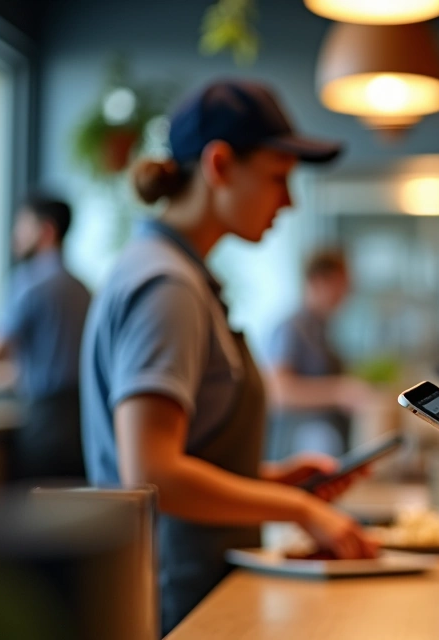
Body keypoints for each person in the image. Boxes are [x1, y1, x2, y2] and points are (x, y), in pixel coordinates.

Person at [79, 80, 377, 634]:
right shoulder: (166, 286)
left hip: (190, 586)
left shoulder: (172, 274)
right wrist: (299, 510)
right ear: (219, 164)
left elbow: (176, 454)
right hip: (174, 597)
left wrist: (268, 481)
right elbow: (150, 472)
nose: (289, 202)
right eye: (277, 178)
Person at [0, 194, 91, 480]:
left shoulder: (28, 282)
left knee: (30, 515)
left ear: (46, 231)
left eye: (22, 225)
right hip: (83, 425)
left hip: (43, 422)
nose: (15, 235)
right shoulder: (85, 290)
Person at [263, 249, 377, 461]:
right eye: (341, 284)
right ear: (318, 281)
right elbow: (279, 391)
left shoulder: (320, 329)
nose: (347, 293)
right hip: (298, 447)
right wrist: (338, 391)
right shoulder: (291, 329)